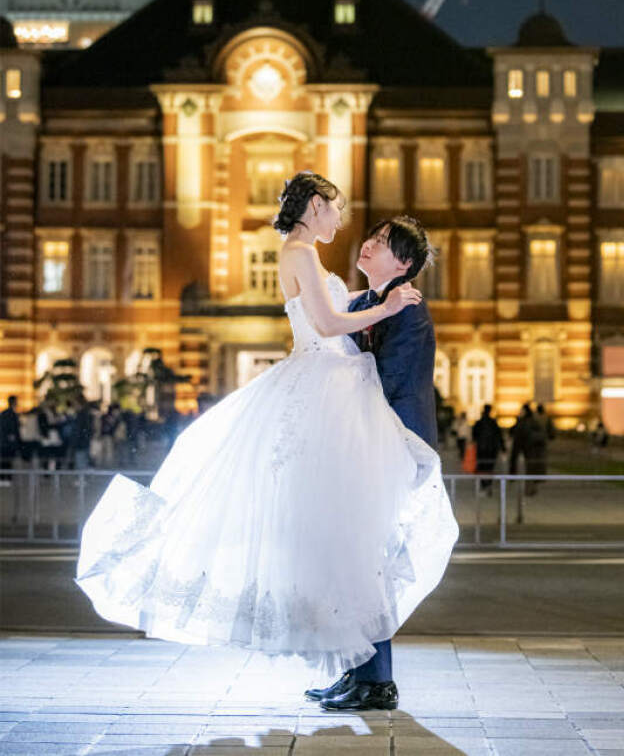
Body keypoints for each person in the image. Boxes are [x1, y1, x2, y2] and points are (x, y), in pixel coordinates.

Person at [75, 171, 457, 698]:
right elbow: (323, 325)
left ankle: (364, 673)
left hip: (340, 395)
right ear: (315, 205)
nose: (345, 223)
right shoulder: (300, 254)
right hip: (326, 388)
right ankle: (365, 674)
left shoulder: (317, 259)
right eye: (337, 209)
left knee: (348, 538)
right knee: (342, 537)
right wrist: (384, 307)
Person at [312, 214, 446, 712]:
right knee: (355, 561)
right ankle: (357, 673)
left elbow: (388, 382)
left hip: (394, 447)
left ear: (404, 263)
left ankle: (377, 682)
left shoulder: (407, 308)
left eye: (382, 243)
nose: (367, 246)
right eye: (370, 238)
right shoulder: (368, 303)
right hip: (368, 445)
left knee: (373, 565)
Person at [472, 403, 505, 493]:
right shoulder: (493, 423)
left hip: (481, 449)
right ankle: (488, 483)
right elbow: (499, 436)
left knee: (482, 466)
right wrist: (503, 447)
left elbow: (474, 436)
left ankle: (483, 483)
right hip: (491, 449)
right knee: (489, 467)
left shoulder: (479, 423)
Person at [0, 395, 21, 486]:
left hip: (3, 441)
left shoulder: (4, 413)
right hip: (8, 442)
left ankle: (3, 478)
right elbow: (14, 429)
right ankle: (6, 478)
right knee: (8, 460)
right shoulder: (12, 414)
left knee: (4, 460)